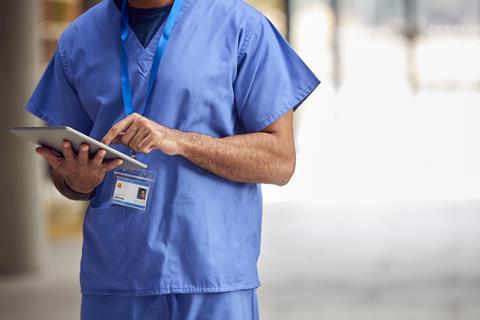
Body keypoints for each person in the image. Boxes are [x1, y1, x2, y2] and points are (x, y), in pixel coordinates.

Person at [28, 0, 320, 318]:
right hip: (116, 278)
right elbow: (66, 175)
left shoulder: (240, 27)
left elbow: (280, 160)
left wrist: (179, 141)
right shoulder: (79, 39)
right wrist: (78, 180)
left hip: (211, 277)